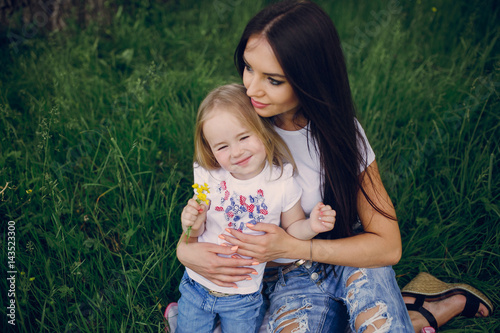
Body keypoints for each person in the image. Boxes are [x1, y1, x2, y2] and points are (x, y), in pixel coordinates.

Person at [173, 1, 493, 332]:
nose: (252, 89)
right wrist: (185, 250)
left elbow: (388, 245)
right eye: (249, 68)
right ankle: (417, 312)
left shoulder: (341, 133)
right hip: (281, 280)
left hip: (344, 260)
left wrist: (294, 245)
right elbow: (206, 208)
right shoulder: (231, 127)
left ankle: (408, 312)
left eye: (274, 80)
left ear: (309, 78)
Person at [175, 83, 336, 333]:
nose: (236, 152)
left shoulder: (280, 182)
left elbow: (291, 230)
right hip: (197, 284)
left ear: (263, 131)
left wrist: (311, 226)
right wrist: (191, 222)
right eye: (222, 146)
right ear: (210, 150)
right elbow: (196, 230)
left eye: (244, 137)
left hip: (243, 296)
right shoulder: (211, 175)